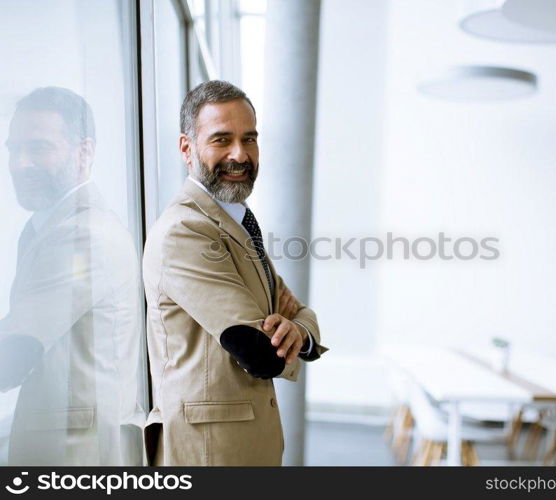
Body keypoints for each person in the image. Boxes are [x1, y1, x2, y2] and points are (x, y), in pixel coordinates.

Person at [142, 80, 326, 466]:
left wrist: (299, 330)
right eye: (221, 140)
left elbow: (299, 313)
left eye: (250, 139)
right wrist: (286, 329)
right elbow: (261, 353)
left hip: (248, 444)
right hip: (209, 452)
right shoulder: (185, 230)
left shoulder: (236, 223)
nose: (240, 154)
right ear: (186, 148)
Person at [0, 87, 145, 465]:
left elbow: (17, 350)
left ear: (85, 152)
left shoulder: (84, 234)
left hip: (79, 460)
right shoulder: (49, 227)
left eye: (38, 148)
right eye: (13, 149)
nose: (19, 163)